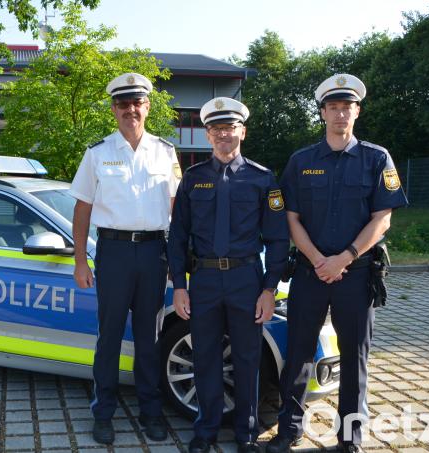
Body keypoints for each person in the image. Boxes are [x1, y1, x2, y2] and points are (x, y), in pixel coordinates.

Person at [267, 74, 409, 453]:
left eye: (347, 107)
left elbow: (383, 217)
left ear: (357, 112)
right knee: (297, 354)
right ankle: (289, 431)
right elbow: (290, 217)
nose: (340, 114)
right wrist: (317, 260)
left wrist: (344, 257)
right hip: (310, 274)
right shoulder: (301, 161)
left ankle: (350, 440)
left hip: (356, 274)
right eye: (333, 107)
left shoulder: (377, 158)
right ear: (323, 113)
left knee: (355, 358)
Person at [167, 97, 289, 453]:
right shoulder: (192, 179)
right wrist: (179, 285)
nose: (224, 134)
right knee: (204, 355)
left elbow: (278, 238)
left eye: (230, 128)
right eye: (217, 129)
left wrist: (270, 289)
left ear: (242, 132)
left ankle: (246, 433)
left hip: (246, 280)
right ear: (208, 135)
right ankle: (204, 431)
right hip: (203, 279)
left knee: (247, 358)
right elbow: (178, 236)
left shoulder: (263, 178)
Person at [69, 72, 181, 445]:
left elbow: (176, 209)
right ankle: (103, 413)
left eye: (137, 103)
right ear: (114, 109)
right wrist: (81, 260)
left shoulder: (166, 152)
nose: (130, 110)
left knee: (148, 338)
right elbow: (82, 209)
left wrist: (179, 262)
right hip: (113, 252)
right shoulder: (97, 153)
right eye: (123, 104)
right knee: (110, 336)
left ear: (147, 106)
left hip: (153, 253)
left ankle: (151, 412)